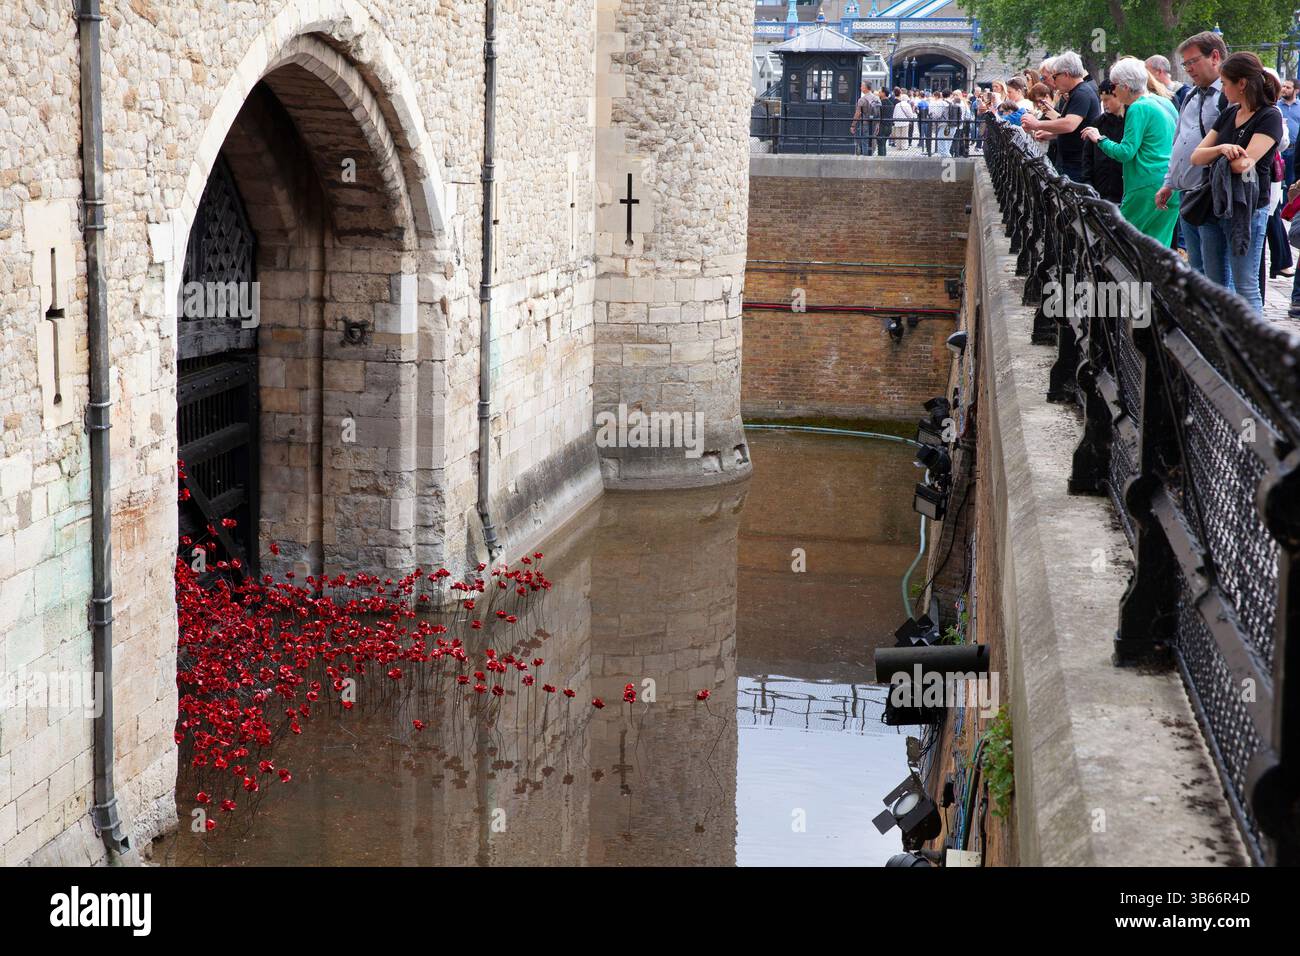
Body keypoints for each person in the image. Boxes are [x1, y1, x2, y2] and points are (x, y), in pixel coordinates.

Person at [1190, 52, 1283, 314]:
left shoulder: (1269, 116)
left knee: (1245, 286)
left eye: (1225, 82)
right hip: (1215, 204)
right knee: (1215, 285)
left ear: (1241, 83)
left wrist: (1217, 157)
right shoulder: (1229, 114)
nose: (1223, 88)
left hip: (1247, 207)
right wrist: (1222, 150)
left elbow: (1246, 163)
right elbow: (1197, 156)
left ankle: (1252, 352)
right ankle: (1222, 345)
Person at [1081, 58, 1179, 243]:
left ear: (1125, 87)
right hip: (1170, 183)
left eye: (1114, 85)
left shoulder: (1138, 107)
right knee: (1160, 247)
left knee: (1121, 242)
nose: (1113, 90)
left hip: (1145, 187)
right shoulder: (1164, 102)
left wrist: (1099, 139)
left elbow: (1125, 152)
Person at [1155, 30, 1229, 275]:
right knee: (1195, 268)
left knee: (1215, 272)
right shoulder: (1191, 95)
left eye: (1192, 61)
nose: (1188, 69)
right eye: (1185, 64)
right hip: (1187, 192)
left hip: (1210, 194)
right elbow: (1179, 140)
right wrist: (1169, 182)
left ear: (1215, 57)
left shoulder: (1228, 96)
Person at [1021, 51, 1102, 182]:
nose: (1054, 82)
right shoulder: (1077, 92)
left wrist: (1037, 124)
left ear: (1066, 74)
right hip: (1070, 161)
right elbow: (1077, 129)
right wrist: (1051, 135)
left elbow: (1069, 124)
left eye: (1055, 77)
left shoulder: (1082, 93)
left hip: (1077, 163)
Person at [1082, 80, 1127, 204]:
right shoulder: (1098, 123)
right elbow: (1087, 157)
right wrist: (1088, 183)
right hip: (1101, 189)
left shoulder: (1130, 122)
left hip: (1123, 190)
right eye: (1102, 100)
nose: (1104, 104)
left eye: (1107, 99)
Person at [1278, 79, 1300, 187]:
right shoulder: (1277, 106)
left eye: (1288, 87)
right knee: (1277, 180)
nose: (1284, 89)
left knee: (1291, 181)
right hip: (1279, 150)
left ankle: (1289, 203)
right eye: (1283, 86)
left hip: (1294, 149)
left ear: (1296, 90)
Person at [851, 81, 880, 156]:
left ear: (866, 88)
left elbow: (858, 113)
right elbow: (879, 113)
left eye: (862, 86)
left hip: (865, 123)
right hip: (874, 123)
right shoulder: (877, 98)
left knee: (864, 141)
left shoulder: (862, 100)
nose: (860, 88)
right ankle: (871, 155)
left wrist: (853, 125)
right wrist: (878, 124)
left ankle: (866, 157)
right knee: (873, 140)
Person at [878, 86, 898, 156]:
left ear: (883, 93)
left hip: (882, 126)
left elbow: (878, 115)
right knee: (883, 143)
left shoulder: (880, 103)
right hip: (889, 126)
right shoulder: (891, 103)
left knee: (880, 143)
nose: (878, 93)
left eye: (880, 91)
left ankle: (881, 159)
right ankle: (884, 158)